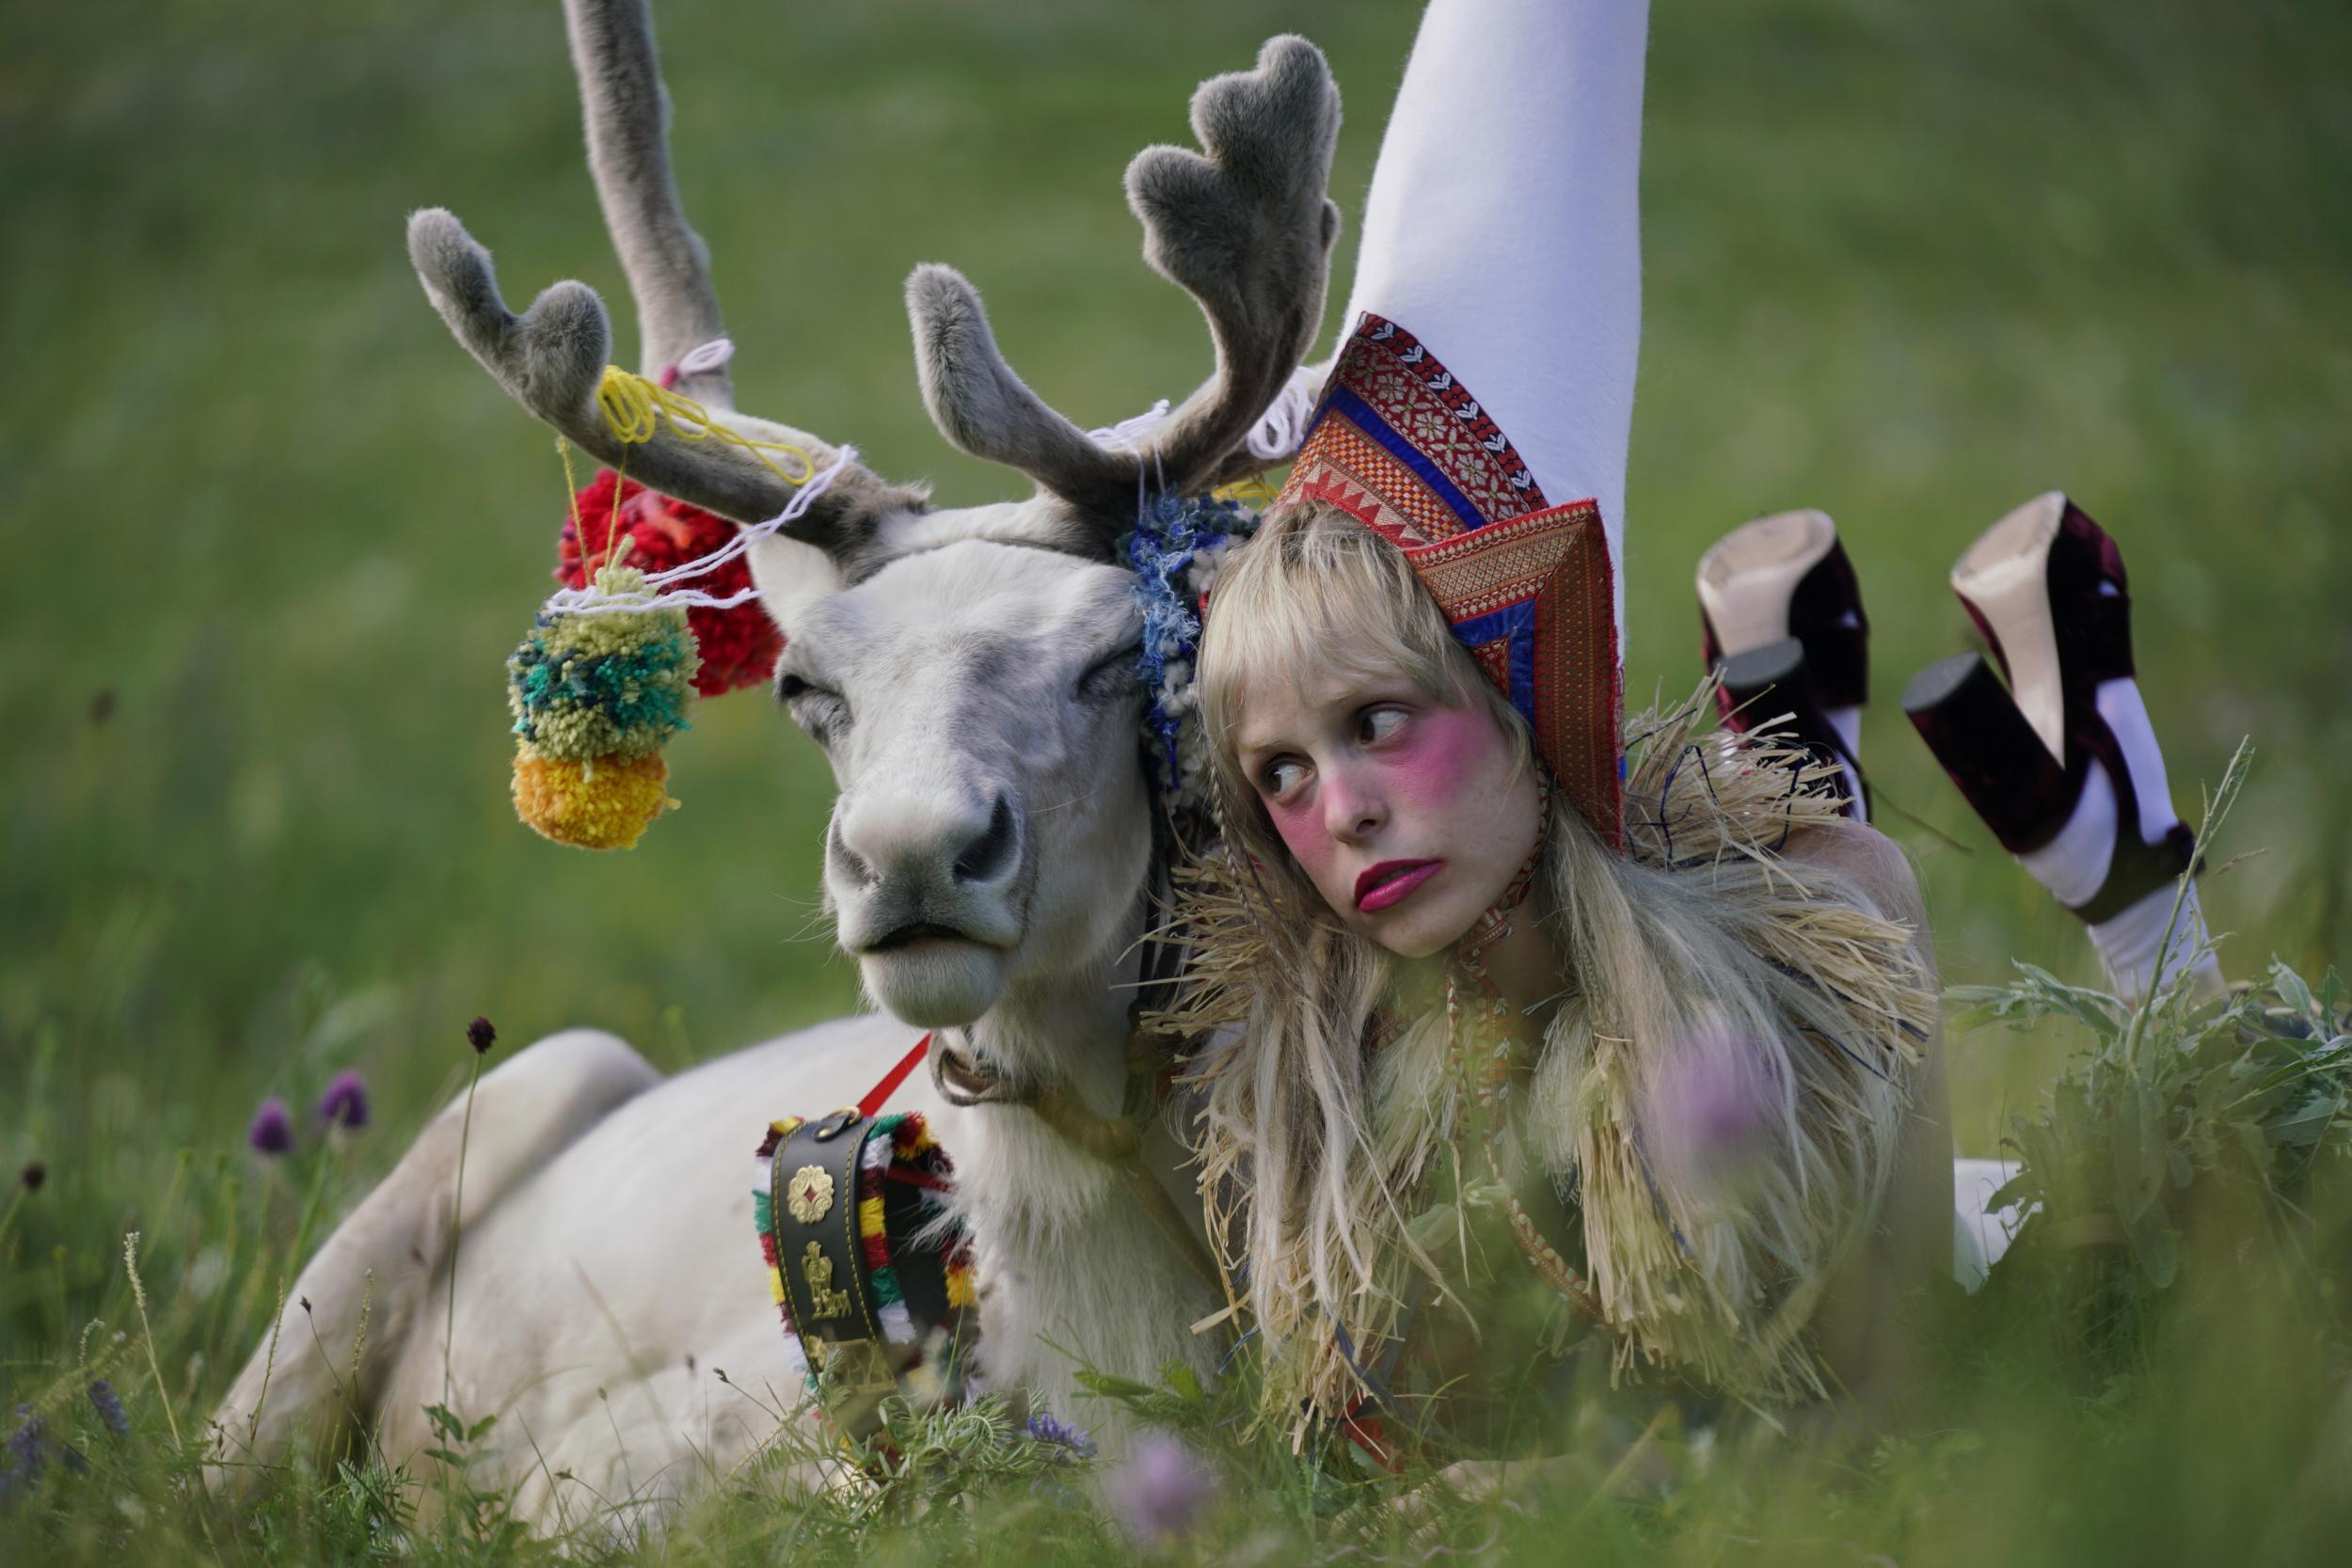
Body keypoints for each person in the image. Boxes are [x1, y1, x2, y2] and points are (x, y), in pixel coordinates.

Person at [1164, 0, 1955, 1449]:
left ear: (1521, 696)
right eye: (1279, 771)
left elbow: (1913, 1413)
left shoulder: (1823, 941)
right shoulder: (1308, 1088)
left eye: (1379, 723)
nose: (1338, 808)